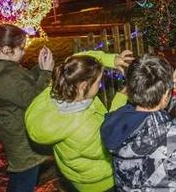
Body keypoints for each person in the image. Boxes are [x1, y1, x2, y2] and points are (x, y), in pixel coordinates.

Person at [101, 54, 176, 192]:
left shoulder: (116, 121)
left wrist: (171, 95)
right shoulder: (173, 138)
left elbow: (148, 116)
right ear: (165, 95)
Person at [24, 49, 133, 192]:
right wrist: (122, 96)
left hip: (74, 174)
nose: (99, 85)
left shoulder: (57, 89)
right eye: (98, 82)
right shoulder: (84, 129)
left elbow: (76, 59)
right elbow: (110, 139)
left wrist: (111, 60)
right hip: (100, 182)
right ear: (83, 86)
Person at [0, 24, 53, 192]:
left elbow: (24, 84)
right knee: (24, 181)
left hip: (16, 137)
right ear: (6, 50)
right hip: (22, 143)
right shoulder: (6, 76)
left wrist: (40, 67)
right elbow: (34, 100)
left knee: (20, 180)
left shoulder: (3, 68)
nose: (24, 51)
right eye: (21, 48)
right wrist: (46, 73)